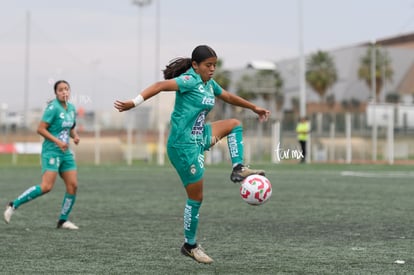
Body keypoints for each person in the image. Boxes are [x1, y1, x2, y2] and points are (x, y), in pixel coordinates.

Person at [114, 45, 270, 264]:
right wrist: (134, 102)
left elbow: (228, 96)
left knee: (234, 124)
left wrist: (254, 108)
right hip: (182, 146)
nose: (212, 69)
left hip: (200, 138)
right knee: (196, 198)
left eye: (214, 65)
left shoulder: (209, 84)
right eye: (208, 65)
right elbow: (160, 86)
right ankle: (190, 245)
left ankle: (238, 168)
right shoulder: (189, 81)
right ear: (195, 66)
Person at [4, 80, 80, 230]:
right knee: (46, 187)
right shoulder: (53, 108)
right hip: (51, 151)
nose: (64, 92)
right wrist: (58, 142)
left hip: (65, 153)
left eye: (66, 89)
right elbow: (41, 129)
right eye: (61, 90)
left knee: (73, 186)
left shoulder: (71, 108)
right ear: (56, 93)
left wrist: (75, 136)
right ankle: (13, 205)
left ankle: (62, 221)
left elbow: (70, 128)